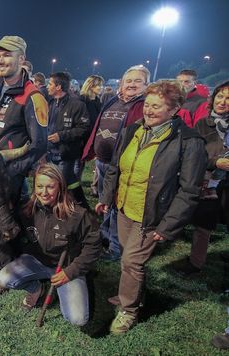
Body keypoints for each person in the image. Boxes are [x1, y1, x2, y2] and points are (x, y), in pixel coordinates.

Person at [96, 80, 207, 334]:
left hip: (153, 216)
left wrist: (168, 225)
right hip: (125, 208)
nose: (149, 110)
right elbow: (115, 167)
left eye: (157, 106)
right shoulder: (133, 130)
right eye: (147, 104)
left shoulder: (189, 141)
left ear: (174, 109)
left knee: (131, 261)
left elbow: (189, 190)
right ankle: (135, 293)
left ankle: (129, 309)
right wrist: (105, 197)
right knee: (129, 259)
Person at [0, 35, 48, 298]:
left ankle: (8, 277)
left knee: (4, 227)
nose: (0, 60)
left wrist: (12, 172)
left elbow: (40, 145)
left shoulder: (33, 96)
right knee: (0, 225)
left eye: (7, 55)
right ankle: (12, 269)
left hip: (9, 178)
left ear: (22, 60)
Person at [0, 163, 100, 325]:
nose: (44, 193)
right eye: (39, 186)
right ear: (34, 186)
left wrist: (71, 272)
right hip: (37, 261)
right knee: (4, 278)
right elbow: (8, 224)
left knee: (77, 319)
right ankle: (37, 289)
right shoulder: (26, 210)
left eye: (50, 187)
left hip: (67, 267)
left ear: (60, 187)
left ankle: (73, 283)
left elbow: (93, 247)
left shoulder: (78, 215)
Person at [82, 65, 149, 262]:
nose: (132, 84)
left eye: (138, 81)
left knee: (116, 204)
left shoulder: (143, 106)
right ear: (121, 83)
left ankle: (115, 247)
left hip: (123, 165)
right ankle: (104, 235)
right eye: (129, 80)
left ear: (146, 85)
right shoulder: (113, 101)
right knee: (104, 201)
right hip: (104, 162)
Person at [175, 81, 229, 276]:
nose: (223, 102)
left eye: (228, 98)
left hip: (225, 185)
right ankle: (195, 262)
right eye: (220, 96)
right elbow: (195, 154)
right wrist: (216, 163)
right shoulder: (203, 123)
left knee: (210, 224)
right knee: (200, 223)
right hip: (205, 181)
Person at [46, 72, 90, 208]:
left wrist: (62, 136)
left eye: (50, 84)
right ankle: (78, 207)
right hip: (49, 153)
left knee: (63, 183)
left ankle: (70, 209)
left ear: (58, 87)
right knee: (64, 182)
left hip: (65, 153)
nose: (48, 87)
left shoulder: (77, 104)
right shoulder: (51, 102)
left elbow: (83, 128)